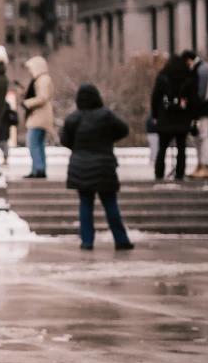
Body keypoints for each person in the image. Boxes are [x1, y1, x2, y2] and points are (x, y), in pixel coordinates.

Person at [61, 83, 134, 251]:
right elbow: (124, 129)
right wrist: (107, 138)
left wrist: (79, 148)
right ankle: (121, 239)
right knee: (110, 204)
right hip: (104, 166)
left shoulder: (73, 118)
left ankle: (87, 241)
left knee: (85, 204)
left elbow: (65, 140)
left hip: (80, 167)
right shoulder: (106, 116)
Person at [151, 53, 194, 181]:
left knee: (162, 148)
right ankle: (180, 173)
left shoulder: (162, 77)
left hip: (165, 118)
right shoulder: (188, 77)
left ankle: (159, 174)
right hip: (182, 118)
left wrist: (155, 115)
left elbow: (155, 97)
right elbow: (193, 99)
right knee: (181, 148)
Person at [186, 49, 208, 180]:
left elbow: (203, 94)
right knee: (200, 137)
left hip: (204, 110)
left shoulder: (203, 69)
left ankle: (204, 166)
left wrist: (195, 106)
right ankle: (201, 165)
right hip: (202, 109)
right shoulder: (201, 68)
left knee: (203, 137)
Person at [22, 54, 54, 179]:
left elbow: (43, 97)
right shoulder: (43, 79)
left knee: (33, 143)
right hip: (40, 116)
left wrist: (27, 103)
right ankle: (38, 168)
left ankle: (38, 168)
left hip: (39, 116)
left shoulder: (43, 79)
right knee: (37, 144)